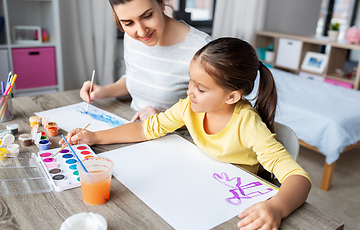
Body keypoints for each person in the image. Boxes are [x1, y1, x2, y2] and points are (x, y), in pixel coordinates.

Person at [62, 37, 311, 230]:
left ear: (232, 96)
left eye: (201, 88)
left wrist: (277, 208)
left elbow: (298, 179)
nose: (190, 91)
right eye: (191, 81)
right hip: (193, 185)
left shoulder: (247, 124)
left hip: (230, 206)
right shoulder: (189, 107)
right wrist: (95, 137)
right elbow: (146, 128)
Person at [79, 0, 212, 122]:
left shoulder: (201, 49)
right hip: (135, 128)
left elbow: (214, 116)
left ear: (161, 1)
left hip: (177, 138)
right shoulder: (132, 37)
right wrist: (103, 91)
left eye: (147, 16)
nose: (142, 31)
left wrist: (162, 118)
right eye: (128, 23)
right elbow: (136, 77)